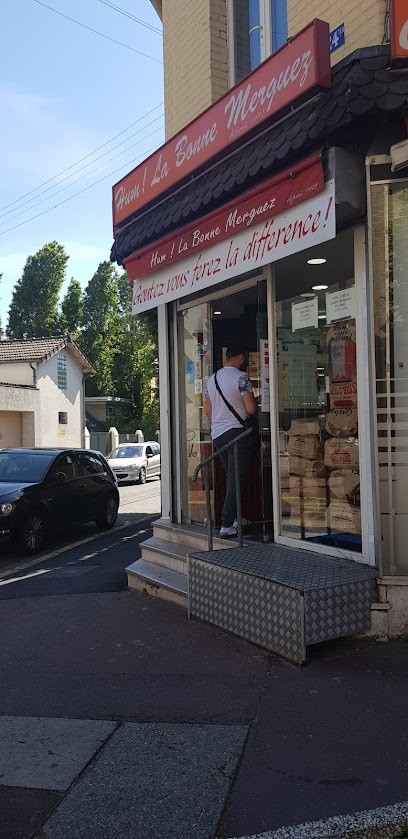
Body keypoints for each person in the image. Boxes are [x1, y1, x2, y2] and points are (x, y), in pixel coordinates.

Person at [204, 344, 257, 538]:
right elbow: (250, 409)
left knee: (230, 478)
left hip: (218, 434)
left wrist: (221, 419)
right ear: (241, 356)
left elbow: (207, 411)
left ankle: (235, 517)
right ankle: (227, 524)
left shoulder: (211, 380)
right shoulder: (241, 378)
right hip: (237, 433)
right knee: (236, 479)